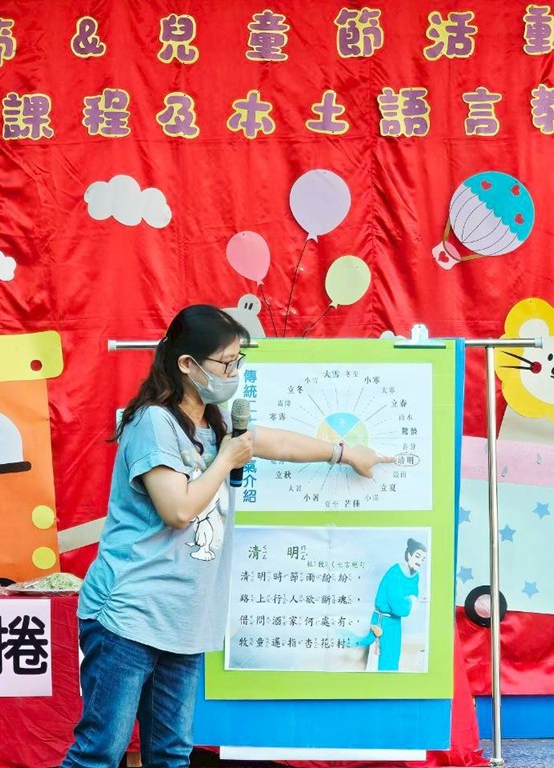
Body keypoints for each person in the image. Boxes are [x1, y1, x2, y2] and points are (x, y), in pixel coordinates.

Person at [61, 304, 394, 768]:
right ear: (186, 364)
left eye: (239, 360)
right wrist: (225, 460)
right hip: (129, 615)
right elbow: (178, 510)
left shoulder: (214, 419)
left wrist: (345, 452)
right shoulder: (154, 422)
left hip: (182, 619)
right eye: (225, 363)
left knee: (172, 754)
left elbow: (278, 443)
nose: (234, 373)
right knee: (100, 751)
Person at [360, 538, 428, 672]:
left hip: (396, 622)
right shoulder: (395, 573)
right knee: (380, 662)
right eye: (417, 556)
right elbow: (400, 607)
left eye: (423, 559)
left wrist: (410, 601)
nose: (420, 561)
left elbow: (413, 596)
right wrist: (411, 601)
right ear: (409, 555)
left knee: (393, 660)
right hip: (382, 622)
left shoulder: (415, 576)